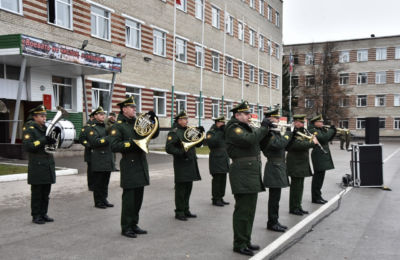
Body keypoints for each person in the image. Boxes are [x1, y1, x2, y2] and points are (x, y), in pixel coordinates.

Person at [225, 101, 273, 256]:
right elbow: (248, 141)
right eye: (246, 114)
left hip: (251, 172)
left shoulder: (248, 128)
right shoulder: (233, 128)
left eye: (249, 113)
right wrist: (263, 128)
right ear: (237, 115)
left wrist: (268, 132)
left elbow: (261, 146)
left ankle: (246, 240)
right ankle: (239, 243)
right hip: (242, 172)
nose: (249, 116)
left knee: (250, 210)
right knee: (243, 209)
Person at [110, 96, 160, 239]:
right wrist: (134, 143)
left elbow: (153, 134)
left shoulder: (137, 123)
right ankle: (126, 227)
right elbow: (114, 146)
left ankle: (134, 224)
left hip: (140, 163)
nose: (135, 109)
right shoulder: (118, 126)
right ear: (124, 109)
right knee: (129, 199)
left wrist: (153, 120)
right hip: (129, 164)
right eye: (132, 107)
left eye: (134, 107)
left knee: (138, 198)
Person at [165, 110, 204, 221]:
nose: (187, 121)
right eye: (185, 119)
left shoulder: (188, 130)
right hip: (181, 162)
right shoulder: (174, 132)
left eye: (187, 119)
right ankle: (179, 211)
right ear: (179, 120)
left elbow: (198, 143)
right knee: (181, 188)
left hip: (190, 162)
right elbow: (169, 148)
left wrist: (200, 133)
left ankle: (186, 209)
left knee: (188, 187)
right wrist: (181, 152)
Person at [22, 105, 57, 224]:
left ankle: (43, 213)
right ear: (35, 117)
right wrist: (43, 140)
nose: (44, 118)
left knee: (46, 192)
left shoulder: (46, 128)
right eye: (41, 116)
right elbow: (28, 146)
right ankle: (36, 215)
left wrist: (54, 138)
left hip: (47, 162)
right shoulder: (30, 129)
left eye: (45, 116)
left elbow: (50, 143)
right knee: (37, 193)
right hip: (37, 163)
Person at [261, 109, 293, 233]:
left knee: (276, 197)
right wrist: (288, 135)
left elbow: (285, 146)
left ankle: (274, 220)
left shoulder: (275, 132)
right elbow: (278, 145)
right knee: (274, 198)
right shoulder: (268, 133)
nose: (279, 120)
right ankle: (272, 222)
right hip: (273, 166)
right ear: (269, 119)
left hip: (279, 165)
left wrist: (292, 137)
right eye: (276, 118)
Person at [286, 114, 319, 216]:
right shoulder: (292, 132)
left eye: (303, 122)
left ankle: (298, 206)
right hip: (295, 162)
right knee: (295, 186)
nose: (303, 124)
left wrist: (311, 138)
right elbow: (297, 145)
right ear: (295, 122)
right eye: (301, 122)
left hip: (302, 162)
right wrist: (312, 143)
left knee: (300, 186)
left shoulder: (303, 131)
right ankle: (293, 207)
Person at [87, 106, 114, 209]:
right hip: (98, 157)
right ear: (95, 116)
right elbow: (94, 142)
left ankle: (104, 199)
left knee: (105, 181)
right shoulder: (92, 128)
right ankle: (98, 201)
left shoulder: (106, 127)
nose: (103, 116)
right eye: (101, 114)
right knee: (98, 181)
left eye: (104, 114)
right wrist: (108, 138)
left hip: (107, 156)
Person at [308, 115, 336, 204]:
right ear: (315, 123)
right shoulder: (313, 130)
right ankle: (316, 197)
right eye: (320, 122)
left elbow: (328, 139)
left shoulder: (319, 129)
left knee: (320, 177)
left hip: (322, 154)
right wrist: (331, 130)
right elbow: (324, 138)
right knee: (318, 177)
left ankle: (318, 195)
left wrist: (333, 131)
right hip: (318, 154)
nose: (322, 123)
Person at [206, 116, 229, 207]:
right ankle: (215, 198)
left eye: (224, 123)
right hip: (216, 158)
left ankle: (221, 197)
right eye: (222, 123)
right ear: (217, 123)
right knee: (217, 180)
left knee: (223, 179)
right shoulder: (211, 132)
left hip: (224, 158)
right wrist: (220, 132)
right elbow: (212, 143)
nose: (224, 124)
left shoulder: (224, 132)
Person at [79, 113, 94, 191]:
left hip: (99, 153)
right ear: (91, 118)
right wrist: (88, 145)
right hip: (90, 151)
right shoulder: (86, 128)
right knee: (91, 169)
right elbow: (81, 139)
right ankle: (91, 185)